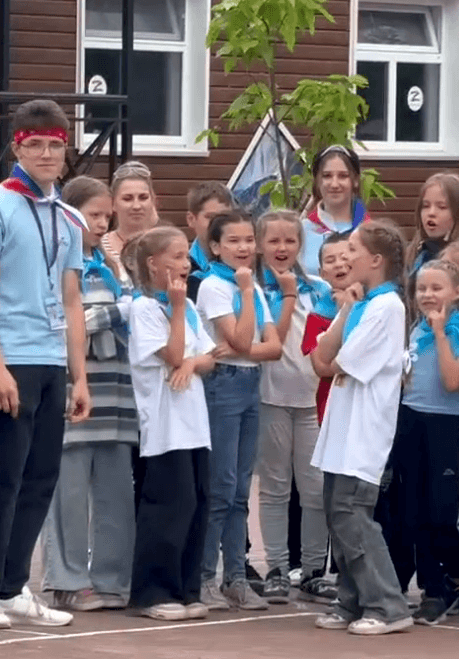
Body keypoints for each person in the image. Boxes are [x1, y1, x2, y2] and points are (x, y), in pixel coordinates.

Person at [0, 99, 91, 628]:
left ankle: (12, 588)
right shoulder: (3, 205)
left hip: (52, 360)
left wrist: (80, 376)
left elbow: (72, 298)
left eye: (55, 145)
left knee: (40, 479)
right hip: (12, 357)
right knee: (4, 478)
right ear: (17, 148)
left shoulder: (68, 216)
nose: (46, 154)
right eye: (35, 144)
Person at [311, 219, 413, 635]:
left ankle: (388, 604)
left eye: (353, 249)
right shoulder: (364, 305)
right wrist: (347, 307)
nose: (344, 258)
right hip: (342, 430)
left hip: (363, 433)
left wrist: (329, 355)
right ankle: (351, 600)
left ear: (375, 260)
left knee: (352, 516)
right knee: (339, 515)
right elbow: (321, 355)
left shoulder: (388, 307)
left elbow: (330, 363)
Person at [40, 176, 137, 612]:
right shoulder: (56, 262)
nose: (101, 224)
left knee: (116, 493)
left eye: (105, 216)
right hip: (75, 392)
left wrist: (123, 304)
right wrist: (115, 313)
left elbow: (136, 311)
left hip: (117, 392)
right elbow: (63, 322)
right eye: (92, 215)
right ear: (69, 214)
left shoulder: (112, 264)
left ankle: (112, 578)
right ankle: (68, 580)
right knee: (70, 495)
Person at [128, 227, 215, 621]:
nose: (186, 264)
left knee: (196, 502)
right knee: (169, 506)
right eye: (177, 256)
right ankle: (153, 592)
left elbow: (208, 357)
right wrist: (177, 311)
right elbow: (173, 353)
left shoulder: (188, 306)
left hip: (195, 425)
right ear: (153, 264)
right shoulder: (146, 309)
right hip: (165, 429)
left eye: (186, 256)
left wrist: (193, 363)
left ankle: (185, 588)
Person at [197, 210, 282, 611]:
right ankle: (204, 576)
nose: (244, 247)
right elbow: (244, 339)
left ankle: (235, 577)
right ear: (215, 246)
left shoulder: (253, 285)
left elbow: (273, 348)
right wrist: (246, 294)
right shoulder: (216, 286)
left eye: (249, 239)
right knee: (221, 486)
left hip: (250, 383)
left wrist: (244, 347)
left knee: (240, 489)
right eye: (233, 240)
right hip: (224, 384)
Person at [255, 210, 337, 605]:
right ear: (260, 245)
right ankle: (275, 567)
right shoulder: (254, 290)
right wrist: (285, 294)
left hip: (312, 401)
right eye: (273, 240)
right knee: (274, 488)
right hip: (269, 399)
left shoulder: (320, 289)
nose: (282, 247)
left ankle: (313, 569)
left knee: (315, 489)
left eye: (290, 240)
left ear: (301, 245)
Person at [390, 260, 459, 625]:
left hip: (446, 425)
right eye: (421, 289)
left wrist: (442, 333)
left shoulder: (453, 329)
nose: (428, 295)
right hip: (412, 421)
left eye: (437, 288)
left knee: (441, 512)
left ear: (456, 293)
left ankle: (450, 578)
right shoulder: (416, 329)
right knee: (414, 511)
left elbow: (452, 382)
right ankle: (434, 589)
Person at [302, 231, 351, 425]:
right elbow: (321, 368)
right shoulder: (317, 315)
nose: (338, 264)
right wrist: (343, 312)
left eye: (345, 258)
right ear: (322, 273)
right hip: (332, 404)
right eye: (330, 260)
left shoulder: (376, 303)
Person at [301, 145, 370, 276]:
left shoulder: (370, 232)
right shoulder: (301, 231)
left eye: (343, 176)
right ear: (317, 181)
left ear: (355, 180)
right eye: (327, 176)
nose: (334, 184)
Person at [101, 161, 158, 279]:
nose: (136, 206)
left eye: (143, 198)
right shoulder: (100, 248)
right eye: (127, 199)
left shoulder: (166, 244)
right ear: (113, 203)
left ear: (152, 200)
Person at [406, 173, 459, 282]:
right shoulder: (413, 253)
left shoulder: (455, 258)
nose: (431, 213)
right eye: (426, 206)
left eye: (442, 207)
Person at [186, 181, 234, 302]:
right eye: (210, 217)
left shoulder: (245, 262)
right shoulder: (183, 270)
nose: (217, 224)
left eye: (224, 217)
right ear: (191, 219)